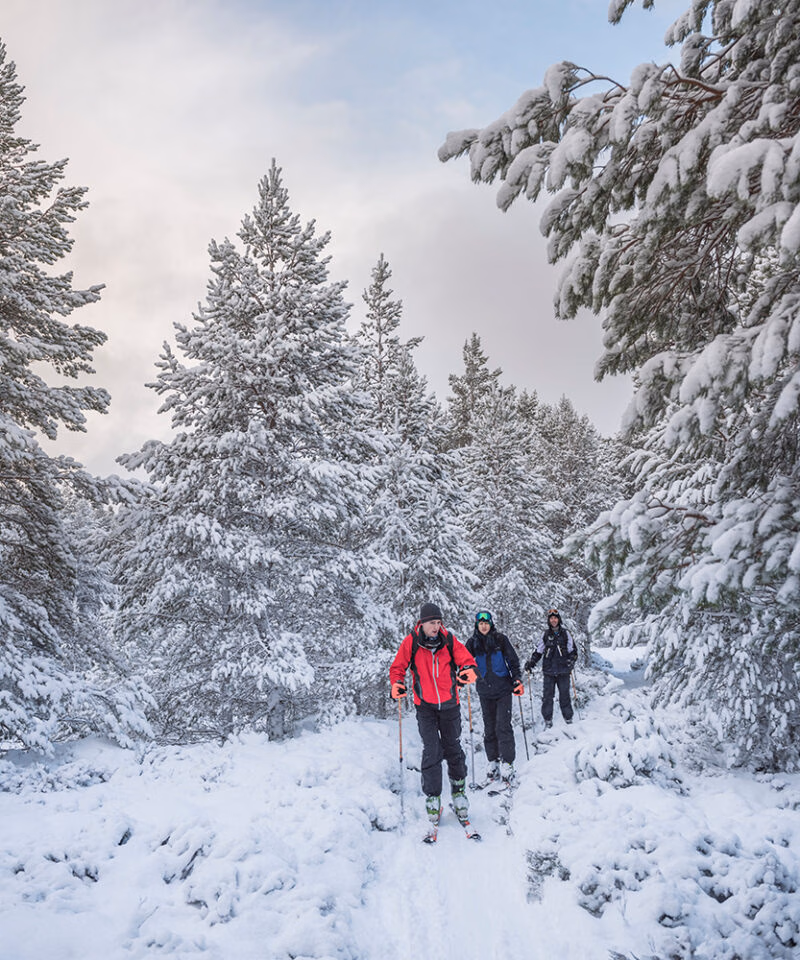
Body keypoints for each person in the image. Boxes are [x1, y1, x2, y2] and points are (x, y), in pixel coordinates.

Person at [389, 601, 478, 827]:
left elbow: (467, 660)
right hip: (425, 707)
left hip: (450, 705)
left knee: (453, 747)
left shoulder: (448, 640)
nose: (436, 627)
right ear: (422, 623)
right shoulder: (412, 642)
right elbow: (397, 667)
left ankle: (458, 792)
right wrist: (397, 684)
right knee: (432, 750)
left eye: (438, 622)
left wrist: (468, 671)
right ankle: (433, 796)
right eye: (432, 623)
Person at [465, 610, 524, 784]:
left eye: (486, 623)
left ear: (491, 624)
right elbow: (463, 662)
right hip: (484, 691)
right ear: (477, 625)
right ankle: (493, 761)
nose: (484, 626)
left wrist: (517, 680)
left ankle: (508, 763)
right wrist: (464, 673)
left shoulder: (500, 639)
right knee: (489, 728)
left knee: (503, 726)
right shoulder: (472, 643)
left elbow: (513, 660)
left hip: (503, 689)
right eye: (481, 623)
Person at [525, 608, 578, 728]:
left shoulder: (565, 634)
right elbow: (539, 651)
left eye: (555, 618)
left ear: (559, 619)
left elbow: (573, 651)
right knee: (547, 697)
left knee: (564, 695)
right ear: (549, 620)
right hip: (549, 671)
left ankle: (568, 719)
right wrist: (532, 662)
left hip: (563, 670)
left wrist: (571, 660)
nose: (553, 620)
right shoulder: (545, 634)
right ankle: (548, 721)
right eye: (551, 618)